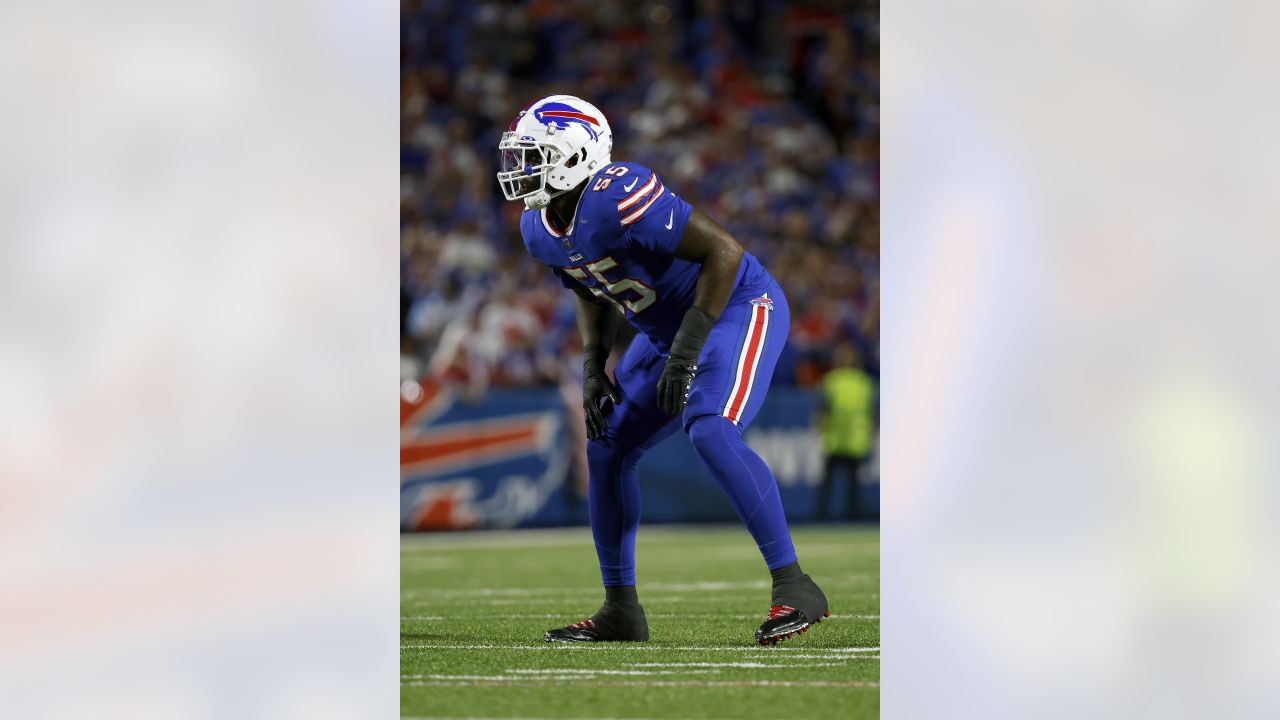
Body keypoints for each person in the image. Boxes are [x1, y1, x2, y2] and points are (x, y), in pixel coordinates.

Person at [497, 95, 828, 645]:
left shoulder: (617, 192)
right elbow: (586, 284)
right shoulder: (538, 226)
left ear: (575, 156)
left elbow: (723, 251)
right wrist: (592, 362)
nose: (521, 170)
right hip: (663, 332)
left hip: (735, 308)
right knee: (605, 448)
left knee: (710, 428)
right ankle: (620, 610)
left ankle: (795, 585)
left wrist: (687, 347)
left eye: (534, 156)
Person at [815, 341, 877, 520]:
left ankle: (821, 518)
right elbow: (871, 413)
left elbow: (823, 412)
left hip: (835, 440)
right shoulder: (864, 383)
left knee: (827, 484)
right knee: (854, 485)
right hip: (856, 441)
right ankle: (854, 518)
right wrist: (871, 434)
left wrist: (820, 432)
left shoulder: (832, 381)